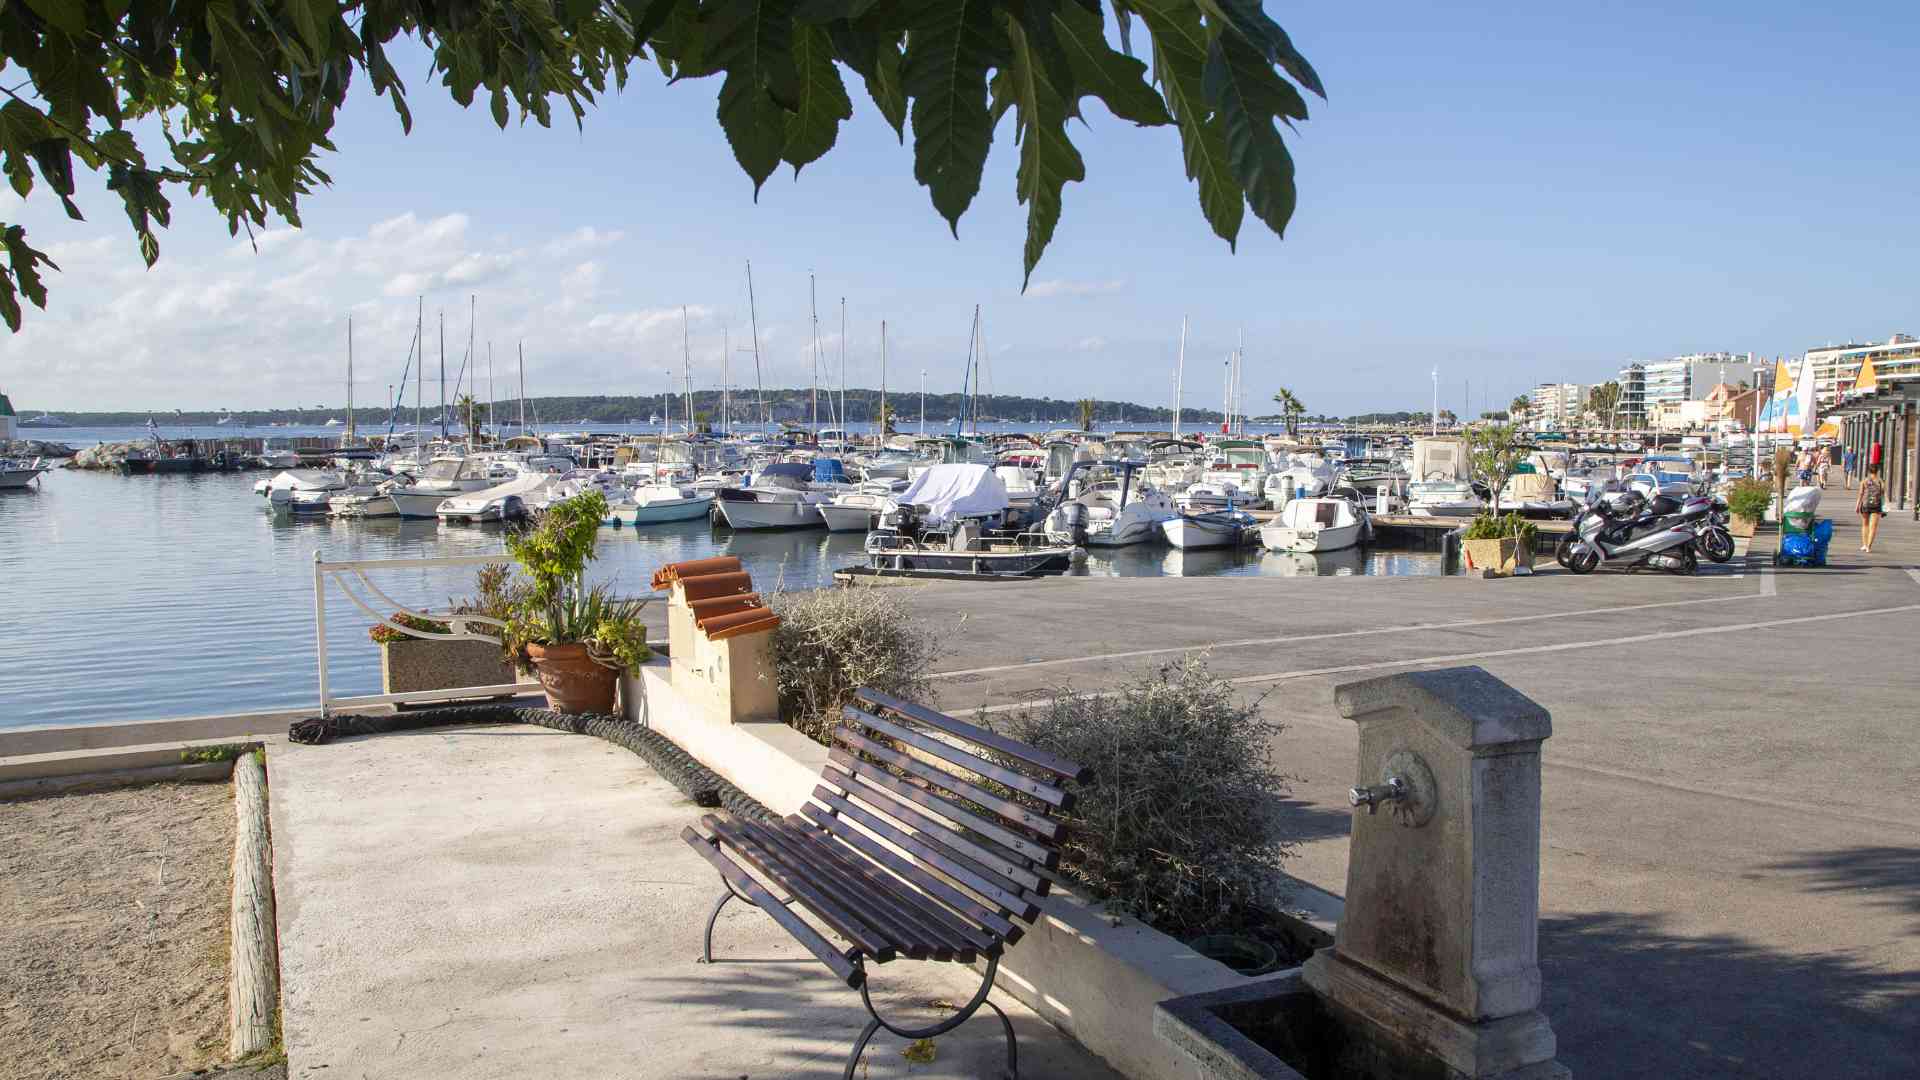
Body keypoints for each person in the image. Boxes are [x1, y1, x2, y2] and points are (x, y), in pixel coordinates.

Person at [1856, 462, 1885, 553]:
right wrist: (1885, 506)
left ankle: (1864, 545)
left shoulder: (1864, 481)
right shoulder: (1880, 481)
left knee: (1865, 525)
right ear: (1878, 471)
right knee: (1873, 527)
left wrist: (1857, 505)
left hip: (1865, 504)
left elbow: (1861, 494)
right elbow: (1883, 494)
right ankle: (1869, 546)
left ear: (1868, 471)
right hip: (1876, 505)